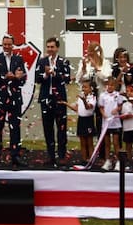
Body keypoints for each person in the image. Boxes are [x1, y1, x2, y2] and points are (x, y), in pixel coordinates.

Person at [0, 34, 26, 165]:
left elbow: (23, 77)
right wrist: (6, 76)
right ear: (2, 44)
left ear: (12, 45)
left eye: (9, 44)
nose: (7, 46)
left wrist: (17, 77)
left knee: (15, 127)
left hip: (15, 98)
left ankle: (15, 156)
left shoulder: (18, 59)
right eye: (5, 44)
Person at [35, 37, 71, 166]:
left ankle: (61, 155)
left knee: (61, 128)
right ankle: (51, 156)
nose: (50, 49)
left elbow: (67, 79)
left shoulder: (64, 62)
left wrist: (54, 73)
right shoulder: (42, 62)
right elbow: (37, 79)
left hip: (59, 100)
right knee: (48, 128)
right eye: (48, 47)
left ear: (57, 48)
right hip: (46, 99)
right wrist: (45, 75)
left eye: (52, 47)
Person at [69, 79, 98, 163]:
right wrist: (65, 104)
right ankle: (84, 159)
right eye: (83, 87)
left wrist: (84, 100)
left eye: (85, 87)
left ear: (91, 88)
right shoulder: (81, 97)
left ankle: (91, 160)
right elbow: (76, 108)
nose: (83, 89)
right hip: (81, 120)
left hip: (88, 120)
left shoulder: (93, 97)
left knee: (89, 141)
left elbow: (88, 107)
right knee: (82, 141)